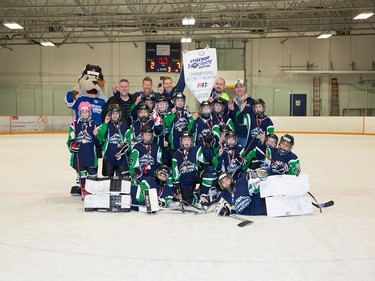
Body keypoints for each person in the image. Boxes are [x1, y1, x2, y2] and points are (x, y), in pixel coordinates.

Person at [67, 101, 100, 199]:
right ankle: (84, 189)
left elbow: (99, 142)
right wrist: (72, 144)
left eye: (86, 112)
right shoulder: (74, 125)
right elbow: (70, 138)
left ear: (90, 112)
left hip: (91, 155)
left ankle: (93, 189)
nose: (84, 114)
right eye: (82, 112)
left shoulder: (95, 125)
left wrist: (96, 135)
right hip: (80, 155)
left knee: (92, 173)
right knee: (82, 174)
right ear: (79, 113)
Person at [171, 131, 211, 205]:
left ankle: (203, 194)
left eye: (188, 140)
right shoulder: (177, 154)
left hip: (194, 178)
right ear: (181, 141)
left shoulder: (196, 150)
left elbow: (206, 160)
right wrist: (176, 184)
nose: (186, 142)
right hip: (185, 181)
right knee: (187, 202)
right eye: (184, 140)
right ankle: (197, 195)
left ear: (192, 141)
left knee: (209, 173)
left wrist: (206, 147)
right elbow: (175, 171)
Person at [129, 125, 163, 209]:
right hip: (140, 178)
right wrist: (138, 177)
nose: (147, 137)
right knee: (136, 204)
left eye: (149, 135)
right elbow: (133, 166)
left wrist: (158, 176)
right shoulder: (137, 147)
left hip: (152, 177)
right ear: (142, 135)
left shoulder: (156, 147)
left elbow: (159, 164)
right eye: (145, 135)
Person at [96, 104, 130, 178]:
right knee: (107, 181)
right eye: (113, 114)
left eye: (117, 113)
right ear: (109, 114)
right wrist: (105, 124)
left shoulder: (124, 126)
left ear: (119, 114)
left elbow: (128, 139)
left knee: (124, 181)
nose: (115, 116)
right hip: (109, 158)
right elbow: (100, 138)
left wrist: (126, 145)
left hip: (121, 158)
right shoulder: (106, 125)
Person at [163, 92, 195, 157]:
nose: (180, 102)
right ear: (174, 102)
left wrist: (192, 119)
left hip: (186, 144)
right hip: (174, 145)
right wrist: (172, 114)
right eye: (178, 100)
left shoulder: (187, 113)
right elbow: (166, 124)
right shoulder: (169, 113)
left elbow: (191, 128)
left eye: (182, 101)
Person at [227, 79, 255, 148]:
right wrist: (232, 110)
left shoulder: (252, 102)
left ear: (244, 88)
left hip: (247, 137)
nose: (239, 89)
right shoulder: (231, 103)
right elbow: (231, 119)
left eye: (241, 87)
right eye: (237, 87)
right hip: (234, 137)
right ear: (234, 89)